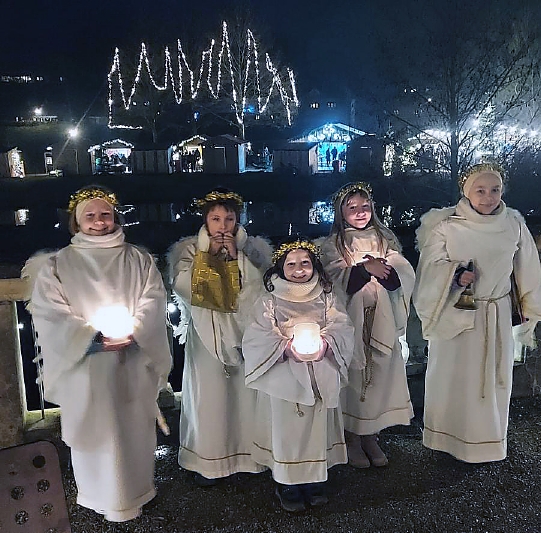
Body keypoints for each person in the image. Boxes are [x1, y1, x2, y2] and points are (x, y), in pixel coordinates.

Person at [24, 185, 172, 522]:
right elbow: (50, 312)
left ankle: (136, 494)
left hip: (130, 361)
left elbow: (153, 298)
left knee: (132, 431)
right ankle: (98, 496)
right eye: (89, 215)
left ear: (116, 217)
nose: (99, 221)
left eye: (105, 214)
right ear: (76, 222)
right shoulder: (59, 264)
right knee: (98, 434)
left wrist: (134, 328)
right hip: (87, 368)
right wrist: (92, 337)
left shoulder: (138, 259)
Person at [413, 162, 541, 463]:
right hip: (456, 315)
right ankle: (447, 440)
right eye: (480, 190)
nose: (488, 197)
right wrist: (456, 276)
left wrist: (529, 307)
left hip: (496, 313)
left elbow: (528, 267)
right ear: (466, 192)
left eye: (495, 190)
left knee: (491, 380)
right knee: (453, 378)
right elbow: (429, 270)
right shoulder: (447, 226)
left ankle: (487, 443)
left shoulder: (513, 224)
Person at [168, 188, 272, 485]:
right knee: (210, 399)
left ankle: (250, 457)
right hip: (205, 336)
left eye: (229, 219)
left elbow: (263, 290)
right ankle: (209, 462)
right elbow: (184, 288)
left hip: (245, 334)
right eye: (216, 219)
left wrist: (238, 259)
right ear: (206, 220)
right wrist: (209, 258)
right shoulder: (189, 250)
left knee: (245, 397)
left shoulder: (254, 249)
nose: (223, 226)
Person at [243, 238, 354, 512]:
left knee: (316, 432)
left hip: (319, 372)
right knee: (287, 432)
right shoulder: (269, 300)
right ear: (280, 268)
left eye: (305, 262)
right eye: (291, 264)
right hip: (284, 379)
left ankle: (315, 480)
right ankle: (287, 483)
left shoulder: (326, 296)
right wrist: (285, 348)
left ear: (314, 266)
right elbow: (257, 334)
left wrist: (326, 344)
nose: (299, 269)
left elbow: (341, 325)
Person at [320, 182, 415, 468]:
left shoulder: (385, 238)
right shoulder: (334, 244)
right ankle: (351, 436)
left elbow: (403, 273)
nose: (360, 212)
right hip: (352, 323)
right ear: (341, 212)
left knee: (379, 377)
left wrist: (388, 271)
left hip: (382, 320)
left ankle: (371, 434)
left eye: (365, 206)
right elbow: (334, 280)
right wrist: (364, 270)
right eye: (352, 208)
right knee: (354, 378)